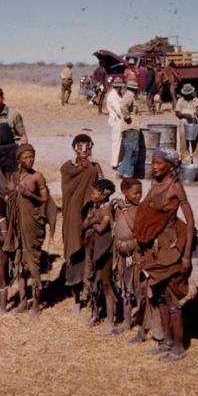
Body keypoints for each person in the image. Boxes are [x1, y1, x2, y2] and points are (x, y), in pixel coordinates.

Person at [133, 147, 195, 362]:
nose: (155, 166)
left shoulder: (175, 187)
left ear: (170, 165)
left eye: (159, 163)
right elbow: (144, 208)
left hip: (171, 248)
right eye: (153, 162)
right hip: (155, 247)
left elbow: (191, 222)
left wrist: (186, 255)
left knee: (172, 300)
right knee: (159, 297)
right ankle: (167, 342)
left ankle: (178, 348)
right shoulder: (155, 184)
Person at [4, 144, 57, 318]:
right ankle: (22, 299)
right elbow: (8, 196)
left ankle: (36, 303)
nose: (29, 160)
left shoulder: (38, 177)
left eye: (31, 157)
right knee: (19, 263)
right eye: (25, 157)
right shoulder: (14, 176)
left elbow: (45, 200)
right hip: (18, 224)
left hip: (32, 224)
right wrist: (10, 193)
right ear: (19, 159)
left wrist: (30, 195)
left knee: (33, 263)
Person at [60, 134, 103, 314]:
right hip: (72, 216)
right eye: (80, 147)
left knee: (92, 256)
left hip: (90, 216)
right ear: (74, 148)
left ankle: (92, 296)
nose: (84, 151)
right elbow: (68, 191)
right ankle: (76, 298)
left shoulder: (95, 168)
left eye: (87, 147)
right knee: (74, 256)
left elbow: (103, 188)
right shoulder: (68, 168)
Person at [81, 178, 117, 334]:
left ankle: (110, 322)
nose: (91, 194)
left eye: (94, 192)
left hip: (104, 251)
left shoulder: (108, 209)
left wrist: (92, 221)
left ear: (103, 194)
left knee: (107, 285)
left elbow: (102, 229)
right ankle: (95, 314)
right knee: (94, 283)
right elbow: (82, 227)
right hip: (92, 250)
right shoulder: (94, 208)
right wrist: (91, 220)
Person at [112, 178, 142, 336]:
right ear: (124, 192)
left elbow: (135, 228)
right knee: (126, 291)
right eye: (135, 192)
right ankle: (127, 322)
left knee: (137, 289)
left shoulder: (139, 209)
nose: (139, 196)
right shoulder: (119, 209)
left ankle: (144, 322)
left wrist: (124, 210)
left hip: (134, 257)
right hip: (122, 258)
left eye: (140, 193)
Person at [117, 80, 140, 179]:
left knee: (128, 151)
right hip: (131, 127)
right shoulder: (130, 95)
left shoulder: (127, 95)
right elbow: (123, 106)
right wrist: (127, 117)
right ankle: (128, 174)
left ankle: (121, 171)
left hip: (127, 127)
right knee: (132, 151)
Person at [175, 83, 198, 165]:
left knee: (195, 142)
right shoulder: (180, 101)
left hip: (193, 124)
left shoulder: (196, 100)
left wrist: (195, 115)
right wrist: (185, 115)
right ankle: (185, 160)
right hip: (183, 125)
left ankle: (196, 160)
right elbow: (177, 113)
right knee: (184, 143)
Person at [106, 77, 124, 170]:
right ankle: (114, 163)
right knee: (116, 142)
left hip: (119, 120)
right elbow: (119, 110)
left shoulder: (118, 94)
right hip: (116, 120)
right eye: (119, 87)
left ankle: (118, 161)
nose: (120, 88)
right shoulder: (113, 96)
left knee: (120, 142)